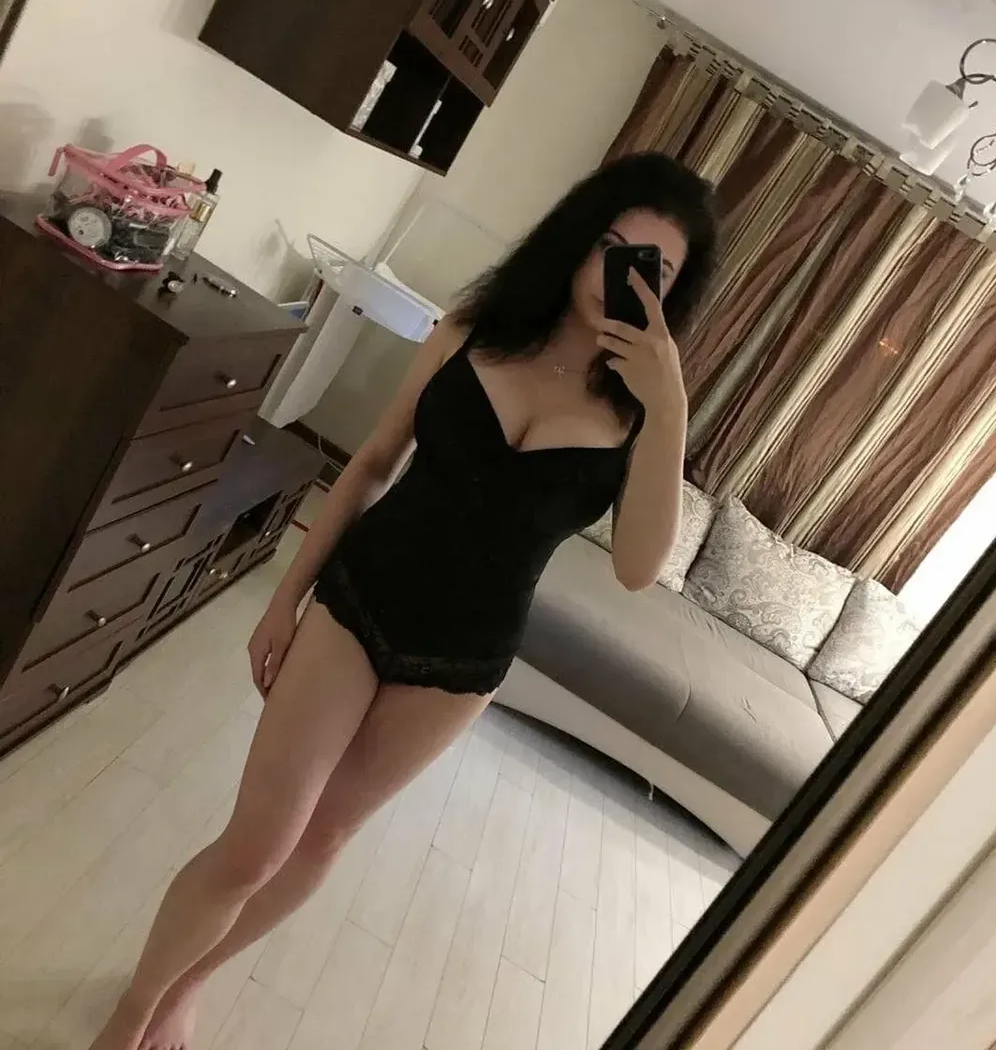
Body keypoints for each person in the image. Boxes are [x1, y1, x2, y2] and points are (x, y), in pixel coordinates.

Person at [89, 151, 717, 1050]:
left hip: (460, 661)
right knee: (258, 844)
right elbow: (375, 460)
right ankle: (129, 1016)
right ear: (578, 235)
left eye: (652, 268)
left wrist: (671, 409)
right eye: (609, 244)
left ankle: (186, 987)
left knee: (322, 842)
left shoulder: (641, 415)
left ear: (673, 292)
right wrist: (284, 597)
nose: (618, 274)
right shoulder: (475, 327)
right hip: (360, 598)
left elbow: (637, 568)